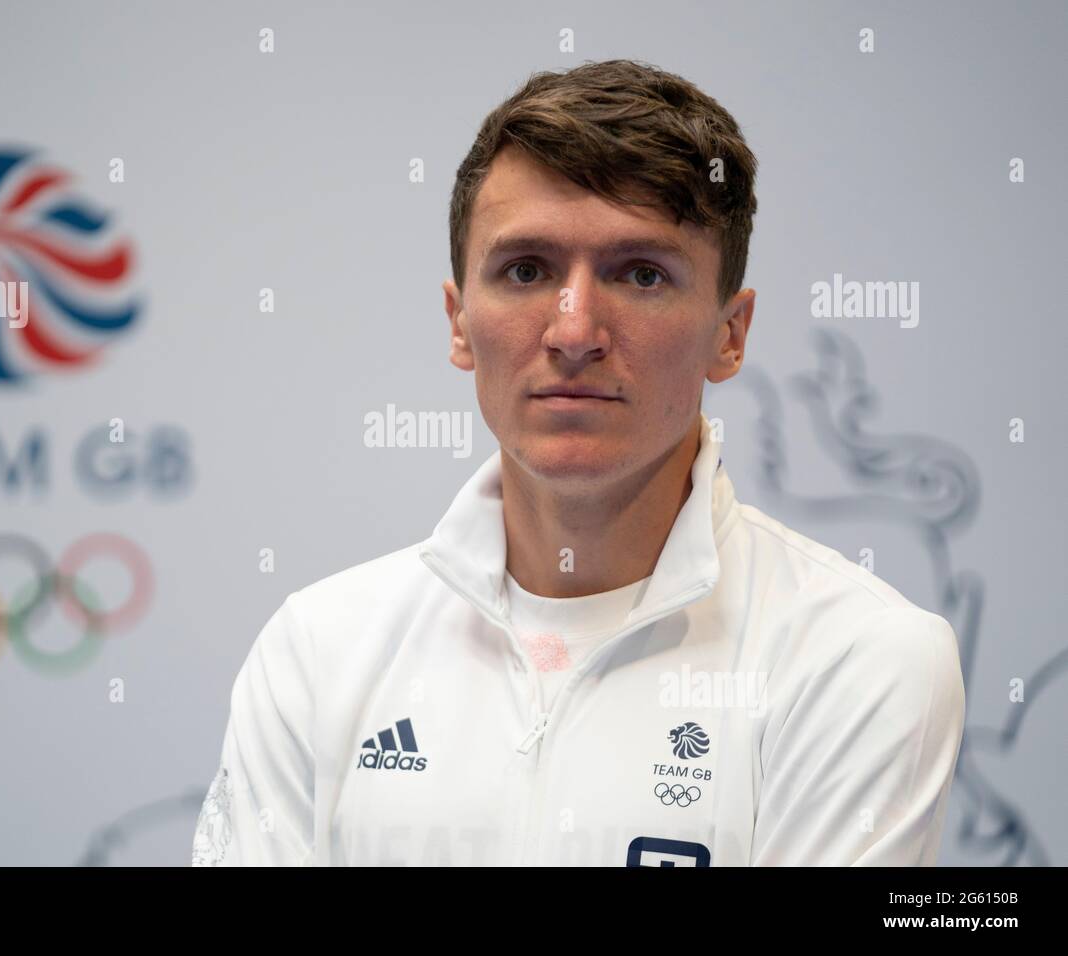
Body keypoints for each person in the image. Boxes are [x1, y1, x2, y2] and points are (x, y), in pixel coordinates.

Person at [192, 58, 965, 867]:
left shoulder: (859, 658)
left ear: (729, 335)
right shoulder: (318, 652)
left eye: (641, 274)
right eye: (527, 270)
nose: (574, 330)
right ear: (460, 321)